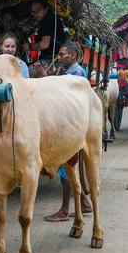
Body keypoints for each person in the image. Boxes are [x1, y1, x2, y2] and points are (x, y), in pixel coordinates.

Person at [37, 42, 94, 222]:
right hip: (69, 126)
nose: (59, 57)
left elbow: (61, 96)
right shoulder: (68, 72)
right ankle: (85, 203)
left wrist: (46, 78)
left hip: (72, 127)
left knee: (66, 167)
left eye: (63, 54)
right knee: (68, 168)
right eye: (59, 54)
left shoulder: (76, 74)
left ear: (74, 56)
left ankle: (64, 210)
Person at [29, 0, 67, 77]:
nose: (35, 14)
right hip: (55, 59)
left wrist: (29, 46)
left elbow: (44, 45)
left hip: (51, 61)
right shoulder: (53, 18)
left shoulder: (47, 21)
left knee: (28, 71)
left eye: (38, 10)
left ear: (46, 7)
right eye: (33, 12)